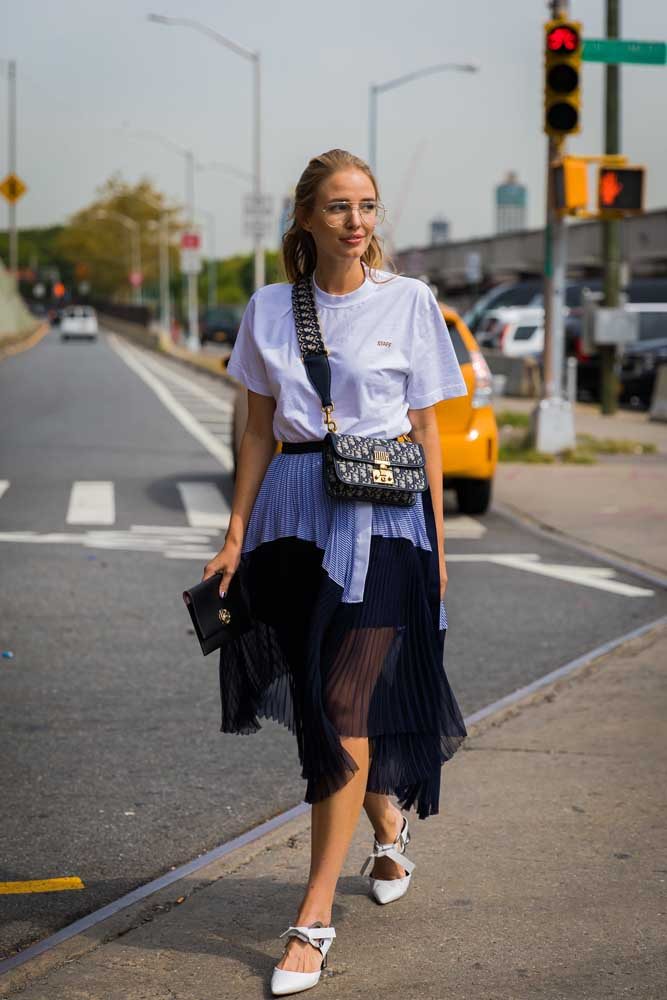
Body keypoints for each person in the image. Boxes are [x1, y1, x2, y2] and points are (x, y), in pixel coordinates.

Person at [202, 148, 468, 996]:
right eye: (339, 207)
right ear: (308, 219)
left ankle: (313, 915)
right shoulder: (272, 308)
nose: (357, 221)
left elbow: (425, 432)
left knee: (347, 698)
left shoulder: (411, 302)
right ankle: (384, 819)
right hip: (293, 513)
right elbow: (253, 431)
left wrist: (438, 544)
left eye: (368, 206)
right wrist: (236, 531)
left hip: (385, 521)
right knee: (321, 693)